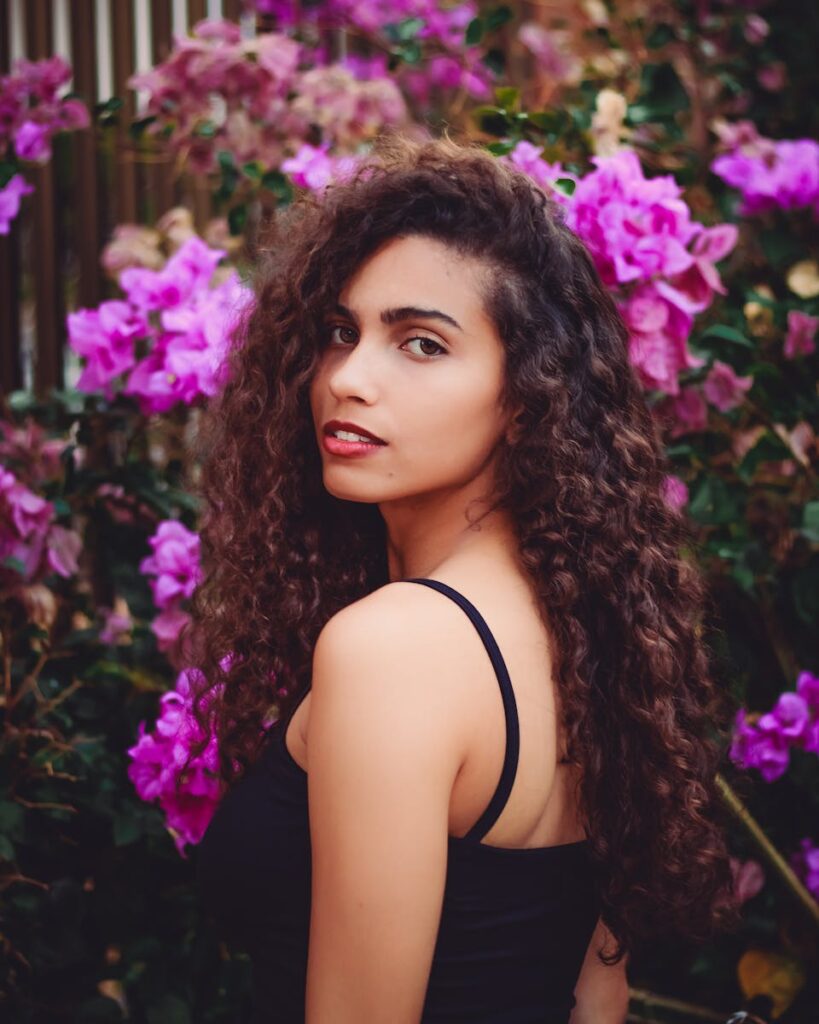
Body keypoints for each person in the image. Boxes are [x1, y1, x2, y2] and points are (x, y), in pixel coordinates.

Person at [191, 130, 740, 1023]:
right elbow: (595, 1000)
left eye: (420, 344)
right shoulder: (583, 627)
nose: (348, 379)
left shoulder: (396, 650)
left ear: (528, 393)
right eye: (341, 332)